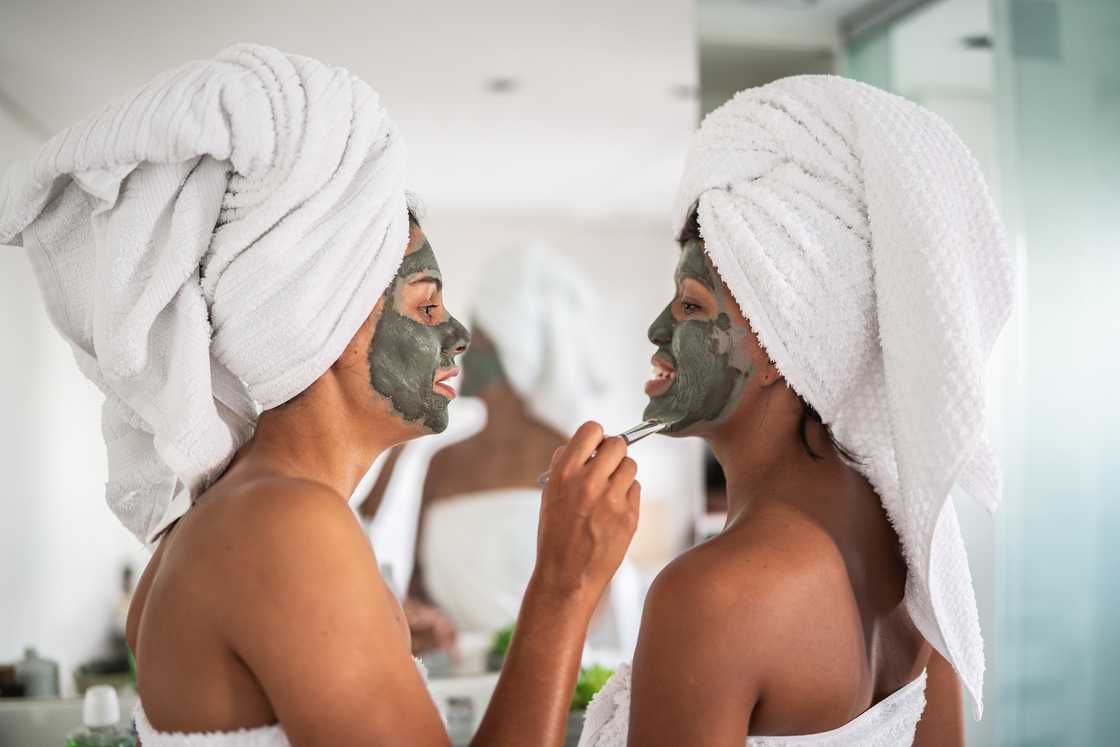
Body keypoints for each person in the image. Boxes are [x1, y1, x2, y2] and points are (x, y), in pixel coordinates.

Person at [1, 44, 639, 746]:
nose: (456, 336)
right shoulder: (287, 526)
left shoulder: (242, 514)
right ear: (326, 323)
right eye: (426, 306)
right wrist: (563, 587)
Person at [578, 76, 1013, 746]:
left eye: (691, 304)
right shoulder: (920, 565)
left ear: (778, 342)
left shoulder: (710, 597)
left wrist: (562, 591)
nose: (658, 329)